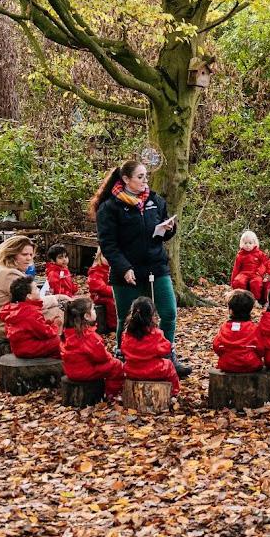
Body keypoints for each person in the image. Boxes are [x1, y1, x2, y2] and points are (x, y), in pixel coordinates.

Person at [90, 160, 190, 377]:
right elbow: (108, 244)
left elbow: (163, 231)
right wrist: (124, 268)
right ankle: (123, 356)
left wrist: (169, 228)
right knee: (126, 317)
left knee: (169, 312)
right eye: (140, 177)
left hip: (156, 266)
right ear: (126, 179)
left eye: (146, 176)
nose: (146, 181)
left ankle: (167, 355)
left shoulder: (155, 200)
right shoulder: (110, 207)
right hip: (126, 271)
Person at [0, 235, 62, 341]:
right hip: (3, 327)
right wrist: (58, 298)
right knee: (61, 314)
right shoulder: (9, 273)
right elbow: (34, 302)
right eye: (24, 254)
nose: (29, 258)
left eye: (31, 255)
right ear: (11, 254)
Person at [61, 297, 123, 398]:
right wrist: (110, 356)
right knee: (116, 365)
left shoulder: (68, 332)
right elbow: (102, 358)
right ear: (86, 316)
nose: (95, 311)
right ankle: (112, 394)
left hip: (70, 370)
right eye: (93, 309)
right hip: (85, 372)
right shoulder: (89, 336)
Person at [120, 297, 180, 396]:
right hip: (154, 370)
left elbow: (123, 349)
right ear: (151, 316)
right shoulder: (156, 334)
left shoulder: (126, 335)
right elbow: (165, 349)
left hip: (132, 371)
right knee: (169, 365)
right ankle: (175, 391)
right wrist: (170, 346)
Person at [0, 276, 62, 358]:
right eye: (36, 288)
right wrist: (56, 325)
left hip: (18, 348)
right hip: (30, 349)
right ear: (29, 296)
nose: (39, 290)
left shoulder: (14, 309)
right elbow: (45, 333)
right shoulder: (30, 311)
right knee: (58, 340)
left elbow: (30, 328)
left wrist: (49, 322)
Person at [212, 290, 265, 373]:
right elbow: (261, 349)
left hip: (227, 364)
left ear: (230, 310)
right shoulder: (254, 328)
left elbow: (216, 346)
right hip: (251, 364)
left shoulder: (225, 327)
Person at [230, 231, 268, 301]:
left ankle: (255, 300)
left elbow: (265, 263)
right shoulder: (240, 255)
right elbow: (236, 268)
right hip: (243, 273)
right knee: (238, 281)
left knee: (256, 282)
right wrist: (232, 282)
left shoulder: (259, 253)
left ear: (254, 243)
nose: (247, 245)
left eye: (250, 243)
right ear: (242, 243)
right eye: (245, 243)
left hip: (255, 273)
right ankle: (240, 299)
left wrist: (260, 271)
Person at [87, 249, 117, 332]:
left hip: (109, 293)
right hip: (98, 296)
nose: (108, 259)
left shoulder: (111, 269)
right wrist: (114, 291)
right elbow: (100, 287)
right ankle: (113, 325)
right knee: (112, 302)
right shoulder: (96, 271)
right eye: (106, 257)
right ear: (99, 257)